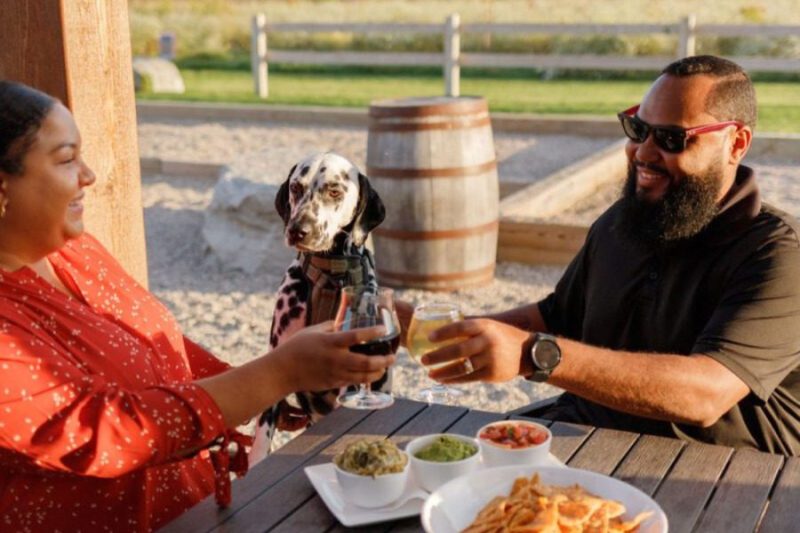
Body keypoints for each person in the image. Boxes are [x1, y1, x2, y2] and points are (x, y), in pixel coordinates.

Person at [0, 80, 394, 532]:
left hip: (202, 508)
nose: (88, 175)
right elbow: (101, 433)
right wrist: (277, 373)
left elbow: (153, 346)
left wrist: (258, 393)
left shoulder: (73, 250)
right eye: (68, 159)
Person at [415, 55, 800, 455]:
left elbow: (705, 395)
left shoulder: (778, 253)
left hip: (721, 471)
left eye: (671, 139)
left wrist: (534, 354)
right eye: (638, 129)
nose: (643, 154)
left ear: (735, 143)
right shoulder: (627, 220)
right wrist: (441, 332)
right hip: (588, 430)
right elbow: (559, 316)